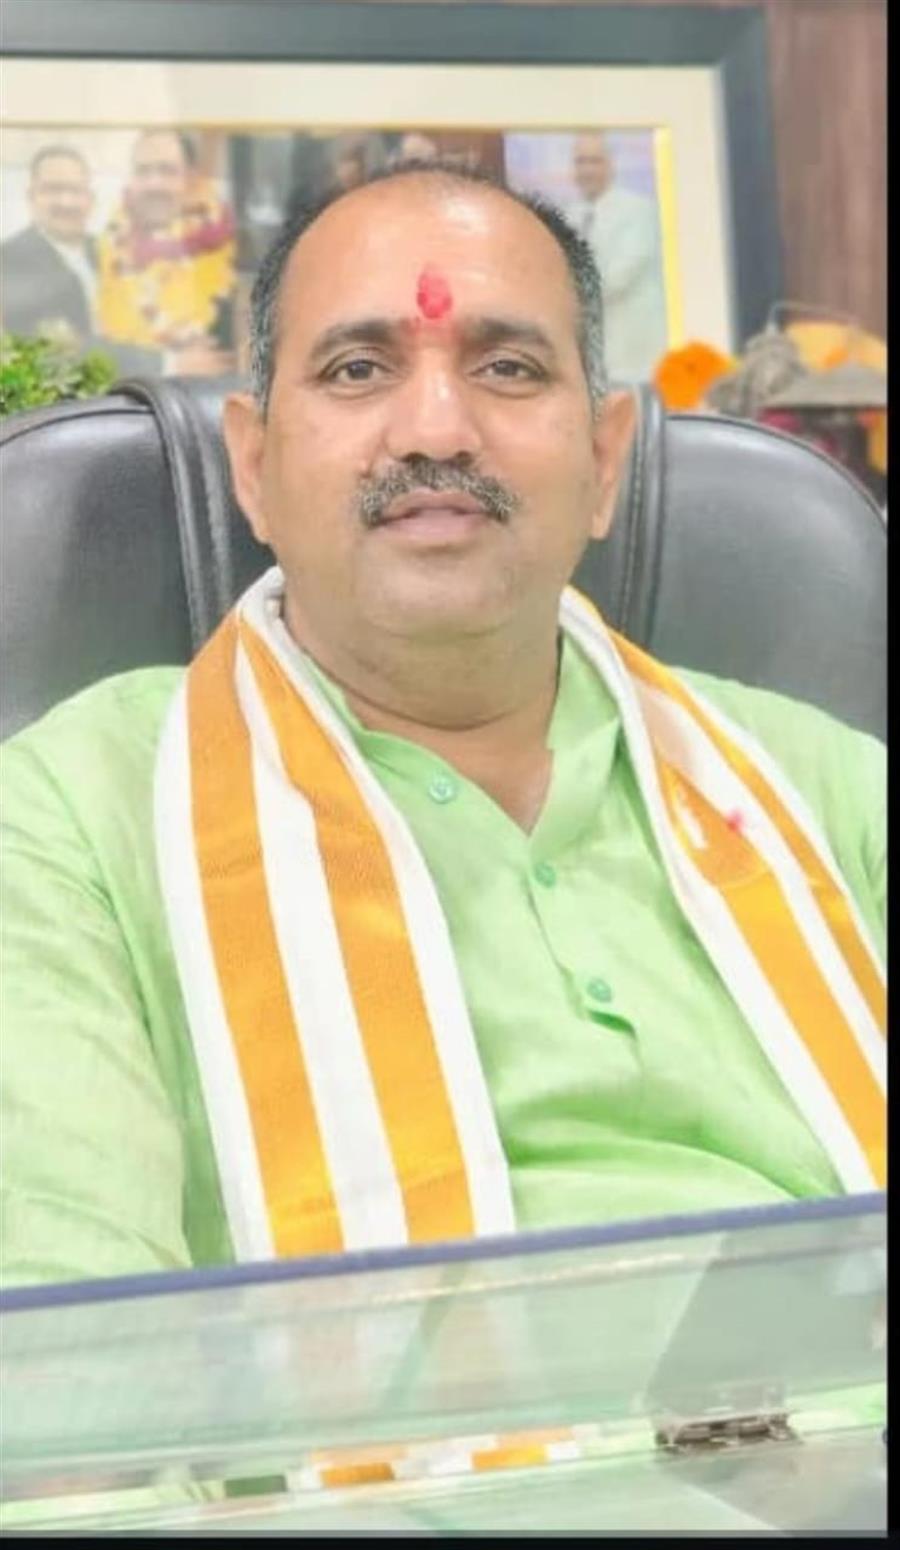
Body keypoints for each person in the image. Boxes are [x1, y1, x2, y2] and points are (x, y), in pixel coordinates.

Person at [0, 161, 884, 1289]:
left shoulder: (830, 787)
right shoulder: (68, 820)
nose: (435, 428)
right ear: (255, 468)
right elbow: (74, 1337)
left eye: (507, 367)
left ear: (603, 462)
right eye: (358, 368)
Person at [95, 128, 237, 375]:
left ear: (191, 179)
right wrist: (170, 364)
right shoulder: (103, 247)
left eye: (167, 171)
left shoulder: (231, 246)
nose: (154, 184)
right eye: (143, 171)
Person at [566, 132, 668, 382]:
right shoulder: (569, 215)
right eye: (580, 162)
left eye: (595, 161)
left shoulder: (638, 210)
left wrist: (562, 293)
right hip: (588, 355)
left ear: (611, 166)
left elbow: (618, 279)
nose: (587, 170)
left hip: (632, 352)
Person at [0, 144, 98, 343]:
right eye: (53, 190)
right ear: (31, 197)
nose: (66, 202)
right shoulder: (7, 260)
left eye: (76, 190)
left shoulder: (110, 251)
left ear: (90, 198)